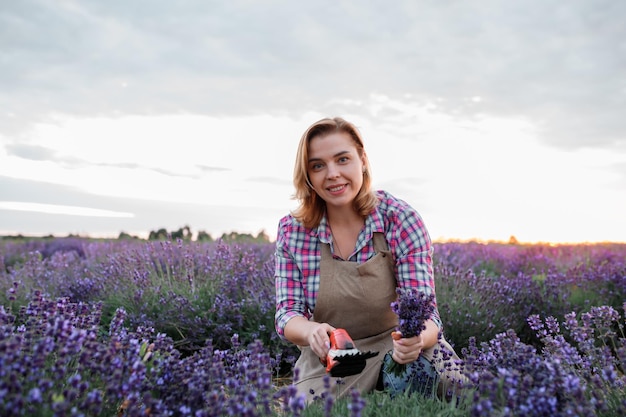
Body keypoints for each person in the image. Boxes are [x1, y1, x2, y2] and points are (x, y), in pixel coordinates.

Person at [274, 117, 464, 402]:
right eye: (318, 165)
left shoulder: (399, 218)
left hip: (399, 341)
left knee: (460, 394)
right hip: (334, 354)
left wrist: (416, 341)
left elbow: (427, 313)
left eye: (342, 159)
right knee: (308, 406)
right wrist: (311, 330)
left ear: (362, 159)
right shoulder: (293, 231)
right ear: (308, 176)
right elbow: (287, 313)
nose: (333, 174)